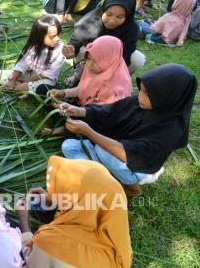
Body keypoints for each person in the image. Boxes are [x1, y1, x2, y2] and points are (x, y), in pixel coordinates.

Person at [59, 64, 197, 196]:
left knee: (103, 151)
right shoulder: (141, 103)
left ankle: (131, 186)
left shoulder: (171, 129)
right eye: (141, 90)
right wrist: (80, 111)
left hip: (139, 164)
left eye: (147, 94)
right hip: (116, 149)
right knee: (69, 146)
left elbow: (129, 154)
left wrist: (88, 132)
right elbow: (110, 111)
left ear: (168, 97)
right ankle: (107, 177)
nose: (140, 96)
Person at [16, 155, 132, 268]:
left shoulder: (51, 241)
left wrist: (23, 221)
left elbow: (30, 258)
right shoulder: (119, 243)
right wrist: (54, 198)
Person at [44, 36, 132, 135]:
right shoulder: (93, 67)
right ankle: (66, 125)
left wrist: (78, 110)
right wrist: (64, 93)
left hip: (97, 117)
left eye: (95, 61)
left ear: (108, 60)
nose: (89, 65)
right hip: (82, 106)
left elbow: (103, 115)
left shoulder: (116, 87)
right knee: (43, 90)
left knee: (81, 127)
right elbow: (84, 87)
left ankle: (65, 128)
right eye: (88, 59)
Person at [62, 0, 145, 86]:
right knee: (84, 51)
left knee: (138, 59)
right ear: (103, 9)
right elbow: (74, 43)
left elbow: (125, 57)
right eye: (109, 14)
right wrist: (70, 50)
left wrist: (107, 72)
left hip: (113, 63)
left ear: (128, 15)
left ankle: (116, 82)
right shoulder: (90, 20)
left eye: (120, 17)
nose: (112, 21)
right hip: (89, 60)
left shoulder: (131, 29)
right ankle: (79, 76)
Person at [0, 15, 65, 98]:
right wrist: (13, 79)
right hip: (29, 74)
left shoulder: (60, 49)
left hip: (45, 79)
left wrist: (26, 81)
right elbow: (23, 63)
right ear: (40, 36)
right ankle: (24, 88)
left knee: (42, 87)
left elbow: (49, 73)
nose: (57, 39)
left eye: (58, 34)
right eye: (53, 36)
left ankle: (12, 88)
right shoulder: (33, 46)